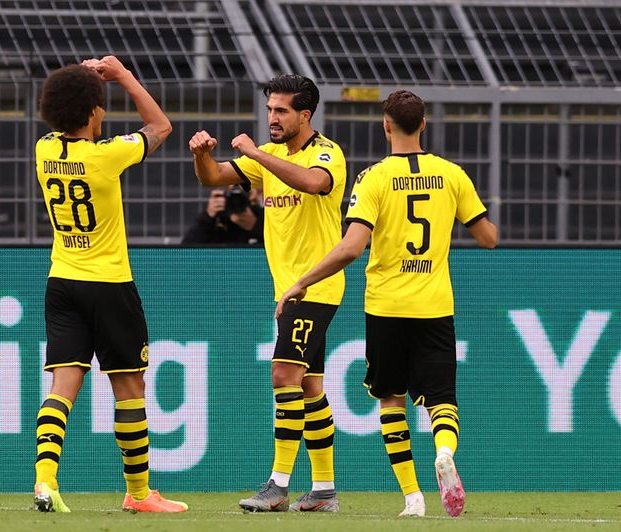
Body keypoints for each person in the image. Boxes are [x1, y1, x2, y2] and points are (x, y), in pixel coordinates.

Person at [276, 90, 498, 518]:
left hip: (386, 306)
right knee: (441, 400)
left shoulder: (373, 178)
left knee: (391, 399)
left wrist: (302, 281)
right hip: (434, 305)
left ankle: (413, 497)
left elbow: (351, 247)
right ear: (424, 124)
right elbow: (488, 238)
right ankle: (444, 450)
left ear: (386, 125)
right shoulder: (452, 175)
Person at [32, 55, 186, 514]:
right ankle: (139, 494)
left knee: (61, 387)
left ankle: (44, 482)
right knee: (130, 389)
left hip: (62, 281)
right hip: (110, 285)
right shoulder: (106, 156)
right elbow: (160, 125)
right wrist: (121, 76)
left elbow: (72, 117)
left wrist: (84, 84)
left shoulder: (43, 150)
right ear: (94, 111)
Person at [189, 74, 347, 512]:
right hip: (288, 289)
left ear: (305, 115)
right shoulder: (269, 156)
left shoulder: (327, 152)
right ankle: (324, 490)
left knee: (282, 376)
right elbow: (214, 178)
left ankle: (278, 485)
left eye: (281, 110)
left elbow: (314, 183)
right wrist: (203, 156)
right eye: (270, 109)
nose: (272, 117)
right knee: (310, 386)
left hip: (315, 287)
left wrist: (257, 153)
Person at [182, 186, 264, 245]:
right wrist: (208, 217)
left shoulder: (259, 214)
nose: (236, 200)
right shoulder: (218, 217)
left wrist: (256, 226)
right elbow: (186, 252)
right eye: (232, 193)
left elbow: (274, 251)